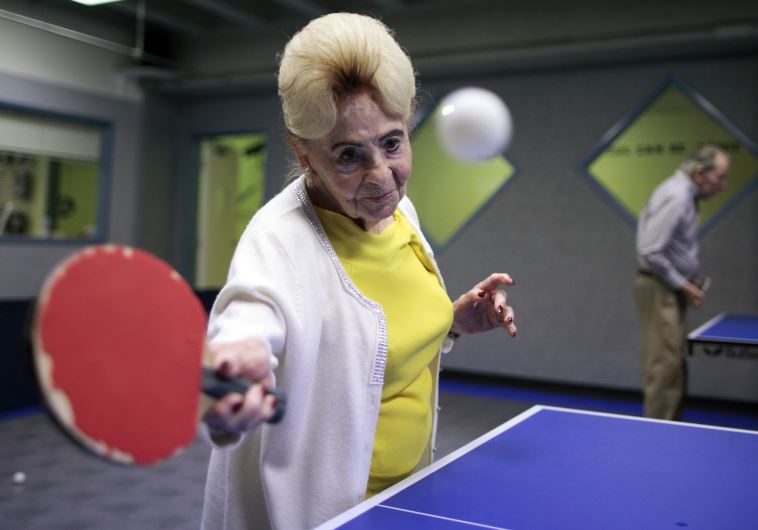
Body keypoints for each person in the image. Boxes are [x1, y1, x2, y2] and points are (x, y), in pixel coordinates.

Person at [199, 12, 518, 530]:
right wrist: (238, 369)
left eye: (393, 142)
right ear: (305, 155)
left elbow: (371, 337)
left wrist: (454, 321)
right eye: (349, 155)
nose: (380, 176)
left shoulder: (397, 212)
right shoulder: (277, 241)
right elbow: (250, 318)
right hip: (327, 516)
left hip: (408, 493)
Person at [634, 144, 729, 420]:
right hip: (660, 288)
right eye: (720, 177)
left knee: (672, 365)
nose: (722, 185)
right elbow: (651, 251)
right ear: (700, 173)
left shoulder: (684, 194)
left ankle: (671, 431)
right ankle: (659, 439)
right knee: (664, 366)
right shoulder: (677, 196)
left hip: (669, 288)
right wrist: (684, 285)